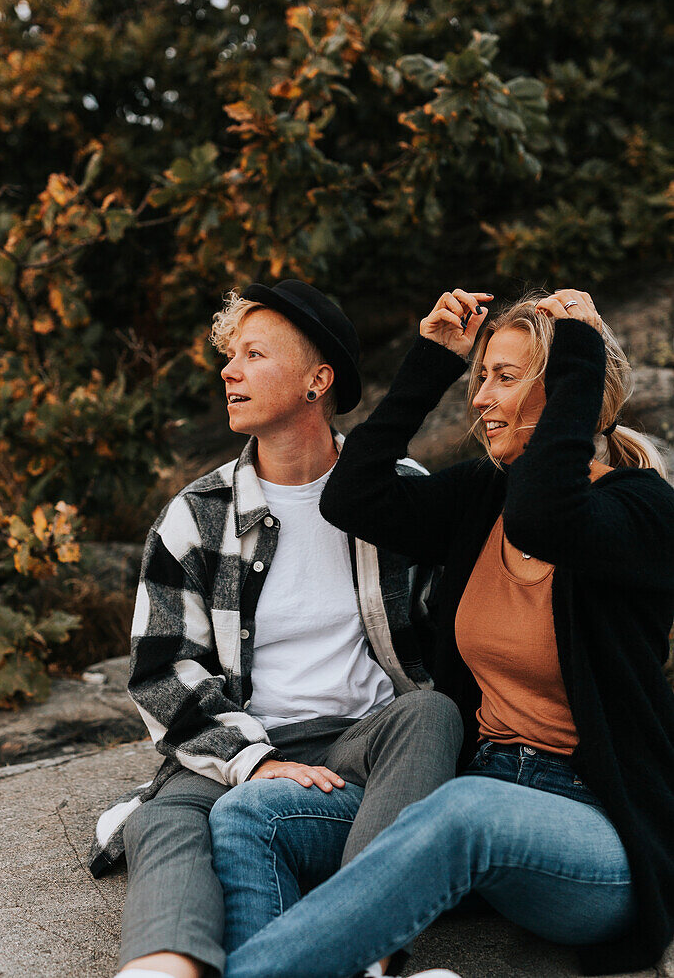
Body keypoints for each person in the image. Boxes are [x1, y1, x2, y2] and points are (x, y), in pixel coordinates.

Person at [210, 287, 674, 978]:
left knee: (465, 810)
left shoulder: (642, 512)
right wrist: (433, 361)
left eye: (505, 378)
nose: (481, 398)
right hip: (476, 793)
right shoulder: (481, 498)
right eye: (480, 377)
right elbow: (352, 495)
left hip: (596, 838)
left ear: (571, 391)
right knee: (251, 816)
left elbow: (548, 516)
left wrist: (577, 353)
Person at [87, 279, 464, 978]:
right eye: (230, 355)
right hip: (243, 742)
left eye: (253, 354)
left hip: (367, 747)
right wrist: (257, 762)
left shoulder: (399, 490)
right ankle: (161, 971)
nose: (228, 371)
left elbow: (460, 626)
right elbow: (160, 671)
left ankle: (368, 953)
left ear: (318, 380)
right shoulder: (197, 514)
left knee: (429, 711)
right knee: (165, 822)